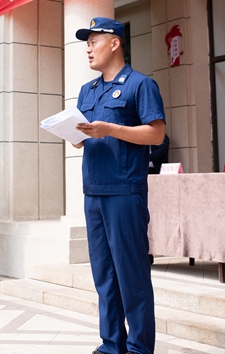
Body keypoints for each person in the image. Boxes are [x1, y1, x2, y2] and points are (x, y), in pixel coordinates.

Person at [72, 17, 166, 354]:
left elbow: (156, 134)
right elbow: (82, 137)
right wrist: (74, 134)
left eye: (93, 42)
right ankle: (112, 345)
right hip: (93, 192)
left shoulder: (140, 85)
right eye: (86, 44)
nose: (88, 49)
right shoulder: (88, 90)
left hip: (125, 192)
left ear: (115, 43)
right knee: (104, 276)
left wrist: (110, 129)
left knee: (132, 276)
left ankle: (140, 348)